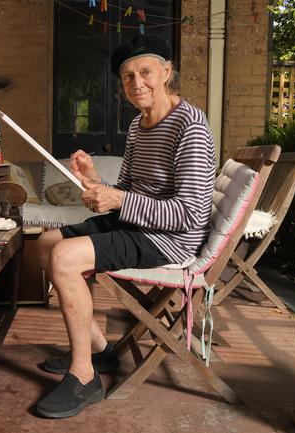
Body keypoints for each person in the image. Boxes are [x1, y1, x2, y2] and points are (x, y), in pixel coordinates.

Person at [34, 34, 217, 418]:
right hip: (137, 225)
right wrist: (95, 180)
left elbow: (190, 215)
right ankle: (100, 351)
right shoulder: (138, 126)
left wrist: (119, 200)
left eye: (146, 72)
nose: (137, 84)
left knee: (66, 258)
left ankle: (83, 379)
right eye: (128, 76)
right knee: (46, 242)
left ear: (167, 72)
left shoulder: (191, 127)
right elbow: (129, 191)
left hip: (169, 240)